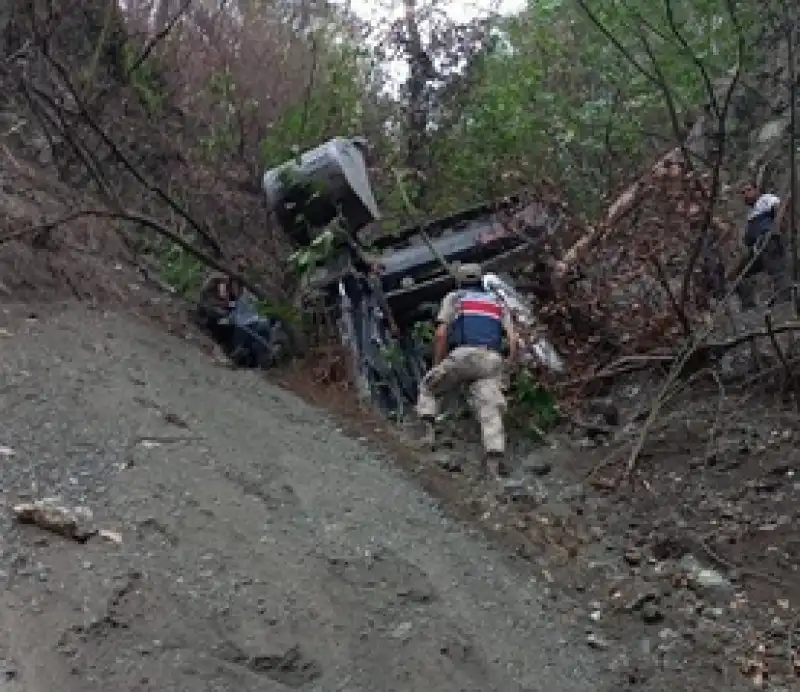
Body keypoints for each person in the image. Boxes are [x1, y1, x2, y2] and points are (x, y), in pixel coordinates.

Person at [416, 263, 517, 479]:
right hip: (491, 359)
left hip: (464, 355)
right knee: (490, 406)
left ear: (460, 281)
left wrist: (437, 363)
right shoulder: (498, 302)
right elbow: (513, 340)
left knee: (429, 386)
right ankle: (494, 463)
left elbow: (441, 334)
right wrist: (506, 366)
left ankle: (428, 435)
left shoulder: (455, 298)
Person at [734, 182, 791, 309]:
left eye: (748, 190)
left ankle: (786, 302)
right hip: (757, 248)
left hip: (769, 241)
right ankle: (748, 305)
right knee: (741, 273)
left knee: (777, 270)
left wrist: (776, 228)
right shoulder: (751, 213)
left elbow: (780, 208)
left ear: (756, 190)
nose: (746, 194)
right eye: (743, 193)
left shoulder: (766, 199)